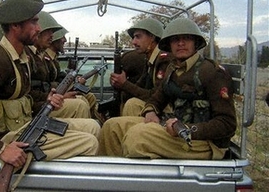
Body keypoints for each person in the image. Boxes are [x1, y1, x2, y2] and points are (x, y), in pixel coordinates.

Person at [0, 0, 99, 170]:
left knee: (93, 127)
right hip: (9, 141)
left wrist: (47, 102)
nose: (39, 28)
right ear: (15, 25)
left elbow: (22, 102)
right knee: (90, 142)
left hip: (26, 128)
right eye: (33, 22)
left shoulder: (20, 58)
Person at [99, 18, 236, 160]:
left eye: (186, 39)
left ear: (195, 42)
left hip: (203, 141)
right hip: (173, 127)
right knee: (112, 127)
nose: (180, 43)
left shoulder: (212, 72)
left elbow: (227, 124)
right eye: (175, 40)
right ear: (169, 44)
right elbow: (158, 97)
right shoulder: (173, 69)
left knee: (137, 137)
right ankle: (112, 178)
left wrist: (188, 129)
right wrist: (151, 110)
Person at [26, 11, 92, 119]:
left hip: (43, 103)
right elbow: (32, 90)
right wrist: (60, 96)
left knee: (84, 100)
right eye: (49, 31)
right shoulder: (30, 56)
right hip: (37, 109)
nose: (64, 40)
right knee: (80, 105)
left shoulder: (39, 56)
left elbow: (47, 84)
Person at [110, 18, 171, 116]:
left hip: (166, 113)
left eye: (138, 37)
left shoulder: (164, 60)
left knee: (132, 104)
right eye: (133, 38)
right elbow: (139, 86)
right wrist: (119, 83)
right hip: (155, 109)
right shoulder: (150, 60)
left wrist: (125, 84)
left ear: (152, 37)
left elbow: (155, 96)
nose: (134, 42)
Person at [45, 25, 101, 121]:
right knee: (80, 104)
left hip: (54, 97)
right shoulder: (44, 58)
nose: (65, 40)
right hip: (47, 103)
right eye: (62, 37)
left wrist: (74, 81)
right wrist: (63, 95)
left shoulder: (52, 59)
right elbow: (45, 87)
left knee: (89, 97)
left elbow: (57, 79)